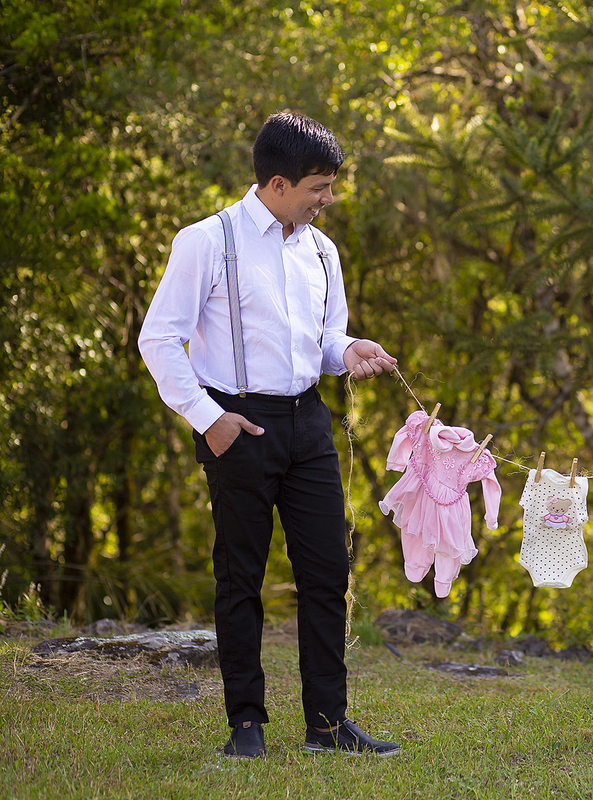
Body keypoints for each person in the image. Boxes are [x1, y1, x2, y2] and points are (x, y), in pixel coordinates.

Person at [139, 112, 400, 759]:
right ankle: (246, 724)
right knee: (240, 577)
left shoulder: (322, 250)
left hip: (308, 423)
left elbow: (326, 342)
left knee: (326, 571)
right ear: (278, 184)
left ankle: (328, 726)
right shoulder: (208, 240)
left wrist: (351, 350)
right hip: (238, 425)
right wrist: (209, 418)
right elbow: (158, 338)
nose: (327, 200)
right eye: (319, 188)